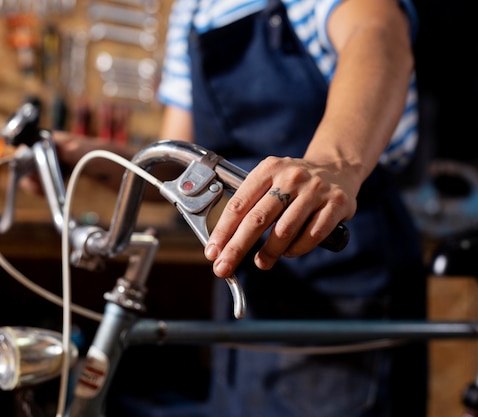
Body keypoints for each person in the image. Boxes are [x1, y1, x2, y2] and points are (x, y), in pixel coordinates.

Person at [24, 0, 428, 416]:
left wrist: (334, 162)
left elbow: (377, 36)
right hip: (248, 286)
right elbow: (174, 166)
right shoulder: (194, 10)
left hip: (340, 266)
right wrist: (90, 158)